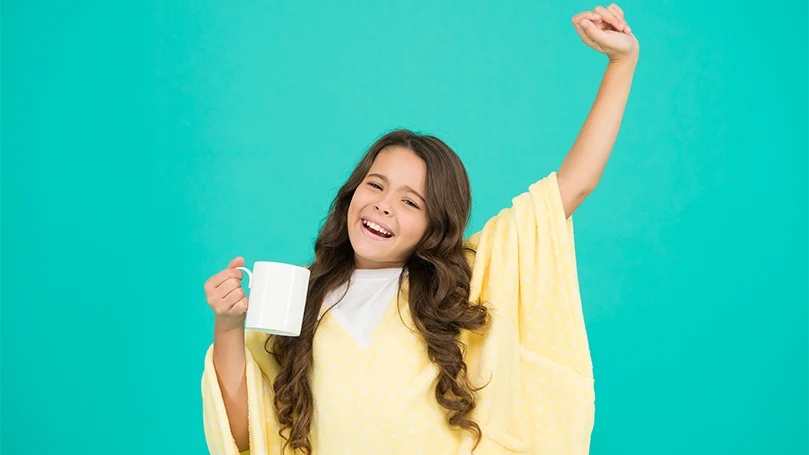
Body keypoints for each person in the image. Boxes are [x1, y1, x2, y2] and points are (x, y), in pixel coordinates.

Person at [201, 4, 639, 454]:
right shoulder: (302, 299)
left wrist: (621, 63)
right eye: (375, 185)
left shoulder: (464, 283)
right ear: (352, 192)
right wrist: (230, 326)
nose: (383, 206)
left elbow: (573, 185)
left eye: (410, 201)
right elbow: (249, 435)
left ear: (434, 226)